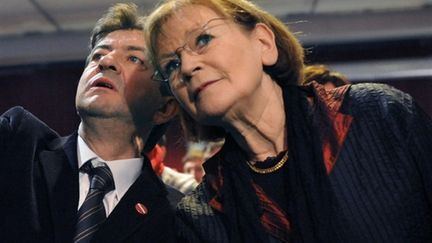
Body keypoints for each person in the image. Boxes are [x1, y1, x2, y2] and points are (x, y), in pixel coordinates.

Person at [144, 0, 432, 242]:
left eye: (203, 39)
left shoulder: (379, 115)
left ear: (264, 43)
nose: (188, 67)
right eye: (172, 64)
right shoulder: (201, 216)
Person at [0, 3, 181, 243]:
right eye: (98, 54)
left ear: (165, 108)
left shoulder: (176, 217)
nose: (106, 62)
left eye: (134, 58)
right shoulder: (18, 141)